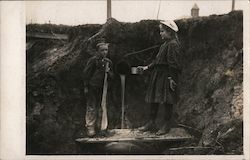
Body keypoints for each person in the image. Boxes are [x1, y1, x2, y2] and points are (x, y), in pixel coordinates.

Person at [137, 20, 182, 135]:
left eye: (162, 31)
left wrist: (172, 78)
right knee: (154, 99)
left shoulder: (173, 44)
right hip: (158, 75)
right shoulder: (164, 45)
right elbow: (157, 61)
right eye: (160, 31)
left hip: (167, 76)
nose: (160, 34)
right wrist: (147, 67)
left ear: (170, 32)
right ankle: (152, 123)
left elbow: (174, 64)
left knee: (167, 100)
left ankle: (166, 125)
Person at [83, 40, 113, 137]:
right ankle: (90, 128)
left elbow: (112, 77)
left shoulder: (108, 62)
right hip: (93, 87)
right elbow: (86, 74)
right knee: (91, 107)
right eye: (102, 50)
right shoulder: (93, 61)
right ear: (98, 51)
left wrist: (109, 73)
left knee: (102, 107)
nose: (105, 52)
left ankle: (102, 128)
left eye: (106, 50)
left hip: (103, 88)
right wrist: (86, 86)